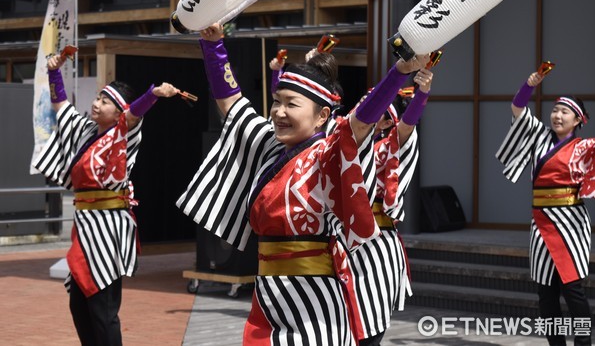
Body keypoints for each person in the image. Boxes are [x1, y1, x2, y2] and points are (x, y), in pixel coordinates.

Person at [176, 23, 429, 345]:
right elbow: (232, 106)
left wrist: (399, 73)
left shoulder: (332, 151)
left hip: (314, 297)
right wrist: (213, 47)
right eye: (277, 101)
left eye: (291, 104)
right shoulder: (270, 145)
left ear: (323, 115)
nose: (279, 112)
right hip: (270, 292)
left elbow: (363, 119)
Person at [33, 53, 179, 346]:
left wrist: (152, 94)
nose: (96, 103)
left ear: (118, 112)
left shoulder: (123, 134)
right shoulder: (85, 131)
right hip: (85, 225)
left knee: (103, 309)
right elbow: (61, 105)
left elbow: (134, 114)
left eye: (105, 101)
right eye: (98, 98)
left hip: (108, 228)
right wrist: (53, 73)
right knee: (78, 303)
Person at [496, 68, 595, 346]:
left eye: (565, 112)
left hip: (571, 223)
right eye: (555, 110)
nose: (557, 115)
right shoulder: (538, 137)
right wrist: (529, 86)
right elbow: (518, 108)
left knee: (573, 290)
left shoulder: (586, 147)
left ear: (579, 119)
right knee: (545, 292)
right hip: (540, 222)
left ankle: (583, 343)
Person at [353, 69, 433, 346]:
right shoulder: (344, 142)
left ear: (388, 119)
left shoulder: (392, 145)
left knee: (371, 320)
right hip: (342, 240)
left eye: (374, 107)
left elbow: (409, 124)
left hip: (376, 243)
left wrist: (421, 94)